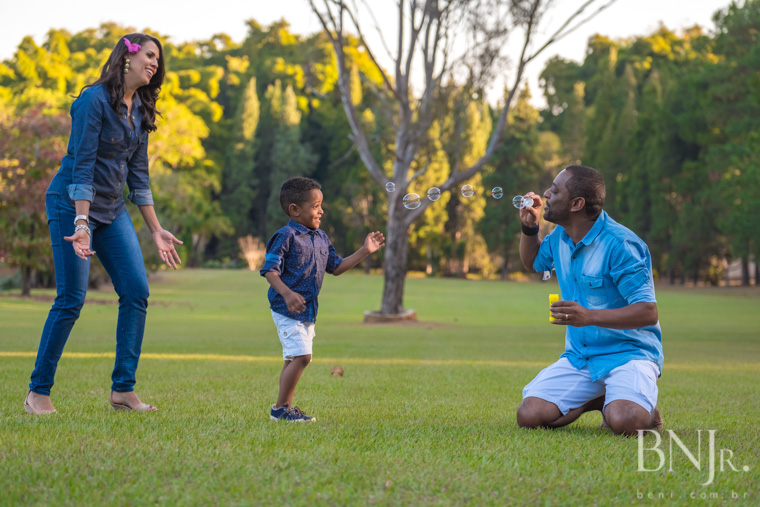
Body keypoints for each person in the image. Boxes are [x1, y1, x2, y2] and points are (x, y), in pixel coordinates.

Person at [25, 34, 182, 414]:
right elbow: (82, 167)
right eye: (149, 55)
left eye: (158, 60)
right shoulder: (92, 101)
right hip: (71, 203)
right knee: (71, 299)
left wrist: (156, 229)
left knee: (136, 291)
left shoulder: (141, 109)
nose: (155, 64)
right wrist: (81, 223)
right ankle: (38, 392)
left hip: (111, 210)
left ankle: (123, 391)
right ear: (127, 56)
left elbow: (139, 177)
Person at [516, 165, 663, 436]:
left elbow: (647, 312)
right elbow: (533, 261)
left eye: (555, 191)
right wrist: (529, 228)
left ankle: (640, 408)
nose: (546, 194)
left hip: (629, 355)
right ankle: (598, 399)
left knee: (627, 421)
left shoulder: (621, 244)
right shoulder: (559, 237)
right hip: (580, 357)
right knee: (529, 415)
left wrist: (589, 316)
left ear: (577, 204)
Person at [260, 177, 385, 422]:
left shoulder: (321, 237)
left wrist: (365, 251)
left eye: (321, 205)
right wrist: (287, 293)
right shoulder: (285, 236)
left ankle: (285, 408)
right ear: (295, 210)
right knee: (303, 356)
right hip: (285, 307)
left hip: (308, 310)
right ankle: (280, 409)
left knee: (293, 358)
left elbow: (336, 267)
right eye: (316, 206)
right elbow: (270, 271)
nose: (321, 211)